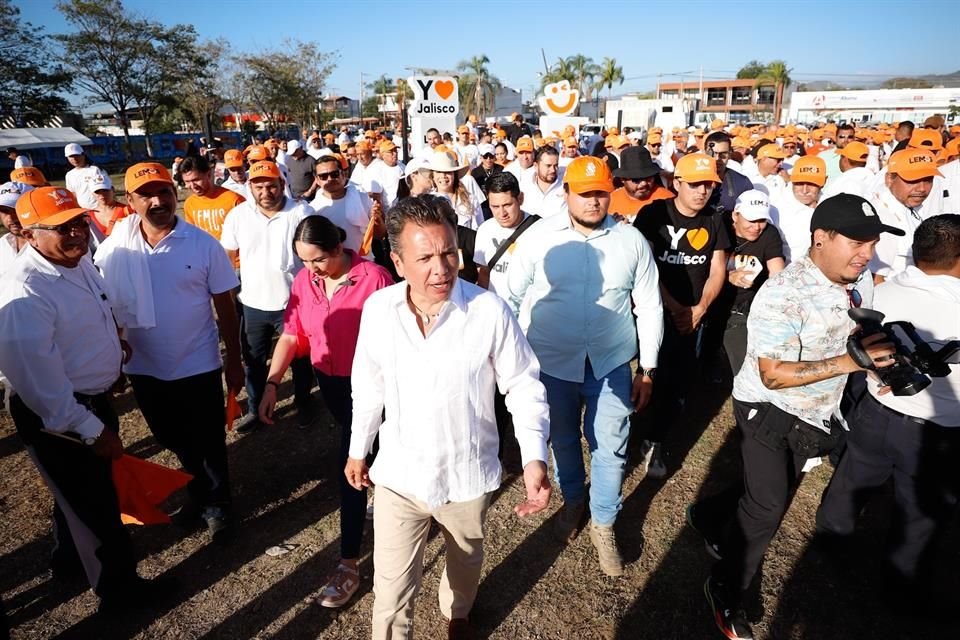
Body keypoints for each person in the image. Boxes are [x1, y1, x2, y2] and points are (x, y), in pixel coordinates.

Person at [346, 195, 552, 639]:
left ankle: (458, 613)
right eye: (424, 258)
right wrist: (358, 448)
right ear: (398, 263)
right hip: (399, 476)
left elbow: (523, 384)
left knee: (465, 559)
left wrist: (534, 456)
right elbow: (369, 383)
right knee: (391, 588)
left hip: (466, 476)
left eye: (448, 253)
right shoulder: (379, 311)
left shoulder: (488, 311)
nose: (441, 268)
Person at [703, 194, 903, 640]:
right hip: (769, 408)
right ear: (820, 238)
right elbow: (772, 376)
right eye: (856, 242)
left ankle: (710, 512)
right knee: (769, 505)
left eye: (872, 243)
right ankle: (725, 588)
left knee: (769, 486)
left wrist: (877, 370)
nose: (867, 253)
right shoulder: (783, 293)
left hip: (816, 413)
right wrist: (852, 363)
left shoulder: (860, 278)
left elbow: (860, 336)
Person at [0, 187, 174, 611]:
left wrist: (113, 351)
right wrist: (91, 430)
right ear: (29, 233)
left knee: (77, 495)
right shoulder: (24, 292)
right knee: (96, 505)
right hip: (61, 413)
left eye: (79, 222)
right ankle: (120, 593)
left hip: (87, 398)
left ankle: (68, 560)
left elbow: (94, 309)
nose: (77, 232)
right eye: (62, 227)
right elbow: (41, 385)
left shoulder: (73, 261)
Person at [507, 156, 662, 577]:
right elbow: (509, 298)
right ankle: (574, 499)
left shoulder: (631, 242)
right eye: (584, 193)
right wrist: (509, 361)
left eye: (601, 192)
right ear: (567, 193)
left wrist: (647, 368)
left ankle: (604, 522)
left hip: (611, 363)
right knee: (562, 439)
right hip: (550, 363)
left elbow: (648, 305)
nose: (594, 201)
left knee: (610, 445)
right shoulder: (539, 238)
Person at [815, 214, 960, 612]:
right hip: (938, 433)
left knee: (853, 478)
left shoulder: (884, 292)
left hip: (877, 412)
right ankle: (902, 587)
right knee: (920, 513)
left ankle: (830, 537)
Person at [95, 163, 243, 542]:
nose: (158, 201)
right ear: (130, 200)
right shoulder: (116, 247)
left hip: (197, 362)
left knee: (208, 440)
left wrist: (234, 357)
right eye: (146, 194)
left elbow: (225, 304)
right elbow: (104, 302)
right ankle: (197, 489)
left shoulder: (202, 244)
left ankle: (217, 506)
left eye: (164, 192)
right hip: (144, 365)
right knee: (169, 436)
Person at [259, 215, 393, 608]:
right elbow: (291, 333)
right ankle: (385, 501)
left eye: (317, 260)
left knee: (351, 466)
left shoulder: (375, 279)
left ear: (337, 249)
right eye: (303, 260)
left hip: (373, 388)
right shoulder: (305, 281)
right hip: (330, 383)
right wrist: (271, 383)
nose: (310, 268)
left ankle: (348, 564)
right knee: (368, 458)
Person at [634, 153, 730, 479]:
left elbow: (718, 269)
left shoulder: (716, 219)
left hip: (695, 316)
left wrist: (700, 308)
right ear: (676, 183)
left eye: (708, 184)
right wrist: (674, 306)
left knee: (678, 381)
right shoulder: (654, 214)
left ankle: (655, 439)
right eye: (695, 184)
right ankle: (632, 431)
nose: (702, 191)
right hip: (655, 310)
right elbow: (643, 266)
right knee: (646, 372)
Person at [220, 161, 316, 433]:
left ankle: (303, 401)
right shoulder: (238, 216)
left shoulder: (301, 212)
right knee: (254, 359)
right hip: (252, 303)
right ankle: (254, 408)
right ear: (250, 187)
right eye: (259, 186)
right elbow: (228, 256)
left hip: (294, 304)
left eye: (271, 185)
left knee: (300, 360)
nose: (266, 191)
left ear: (282, 185)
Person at [716, 190, 786, 376]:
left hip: (746, 306)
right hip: (713, 298)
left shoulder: (769, 233)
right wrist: (728, 277)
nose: (757, 227)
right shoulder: (719, 225)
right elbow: (703, 267)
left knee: (745, 366)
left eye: (761, 220)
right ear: (735, 215)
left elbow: (776, 273)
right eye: (751, 220)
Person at [869, 148, 941, 281]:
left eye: (928, 180)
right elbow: (874, 280)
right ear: (889, 179)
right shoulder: (883, 217)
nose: (922, 188)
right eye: (912, 180)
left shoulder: (907, 206)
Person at [474, 173, 537, 300]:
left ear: (520, 199)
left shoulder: (539, 229)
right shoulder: (484, 230)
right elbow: (484, 274)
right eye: (495, 206)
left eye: (507, 205)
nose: (501, 213)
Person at [309, 155, 383, 256]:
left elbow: (380, 235)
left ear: (343, 174)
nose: (330, 179)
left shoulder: (361, 198)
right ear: (317, 180)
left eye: (334, 174)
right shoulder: (313, 209)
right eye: (323, 176)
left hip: (363, 262)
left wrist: (377, 218)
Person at [181, 155, 246, 253]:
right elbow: (193, 237)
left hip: (235, 264)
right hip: (207, 263)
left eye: (196, 180)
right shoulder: (189, 204)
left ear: (208, 175)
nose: (193, 186)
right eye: (187, 182)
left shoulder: (234, 199)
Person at [770, 156, 827, 262]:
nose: (805, 190)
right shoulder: (776, 210)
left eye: (812, 184)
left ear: (824, 182)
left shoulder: (832, 206)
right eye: (799, 183)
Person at [609, 147, 673, 223]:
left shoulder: (667, 200)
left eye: (648, 178)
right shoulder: (611, 200)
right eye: (636, 179)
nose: (644, 183)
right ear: (622, 179)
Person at [429, 150, 483, 230]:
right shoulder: (428, 202)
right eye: (438, 172)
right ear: (432, 176)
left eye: (448, 172)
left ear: (455, 175)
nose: (443, 176)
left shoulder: (471, 200)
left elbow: (480, 228)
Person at [703, 132, 755, 216]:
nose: (717, 159)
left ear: (730, 154)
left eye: (723, 154)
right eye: (712, 154)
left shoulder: (742, 183)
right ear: (704, 152)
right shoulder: (690, 179)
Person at [86, 172, 130, 253]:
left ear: (112, 189)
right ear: (92, 193)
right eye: (97, 191)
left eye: (105, 190)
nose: (102, 194)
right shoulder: (88, 217)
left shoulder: (128, 211)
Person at [519, 146, 567, 218]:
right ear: (536, 166)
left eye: (556, 165)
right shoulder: (524, 185)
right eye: (548, 166)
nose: (553, 170)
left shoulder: (566, 184)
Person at [0, 182, 33, 276]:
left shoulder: (51, 247)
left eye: (17, 210)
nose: (11, 218)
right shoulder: (3, 244)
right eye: (4, 211)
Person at [63, 143, 103, 209]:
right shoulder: (69, 175)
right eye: (71, 156)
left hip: (98, 209)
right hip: (83, 211)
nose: (74, 159)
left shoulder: (95, 170)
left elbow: (106, 191)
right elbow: (73, 194)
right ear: (67, 158)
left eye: (76, 155)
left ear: (83, 154)